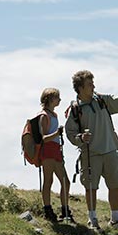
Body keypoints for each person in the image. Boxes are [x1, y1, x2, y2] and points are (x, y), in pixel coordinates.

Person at [65, 70, 118, 231]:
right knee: (91, 187)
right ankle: (92, 219)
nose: (93, 86)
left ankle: (115, 219)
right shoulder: (75, 109)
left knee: (115, 184)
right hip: (90, 154)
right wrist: (81, 138)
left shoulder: (102, 100)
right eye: (90, 84)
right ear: (80, 88)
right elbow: (70, 132)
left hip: (110, 149)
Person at [39, 88, 74, 223]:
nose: (59, 100)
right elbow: (43, 138)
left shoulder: (53, 115)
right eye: (57, 97)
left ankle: (64, 210)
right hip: (48, 150)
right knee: (49, 180)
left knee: (64, 181)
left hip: (55, 150)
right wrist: (57, 134)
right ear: (50, 99)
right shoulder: (43, 116)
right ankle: (48, 210)